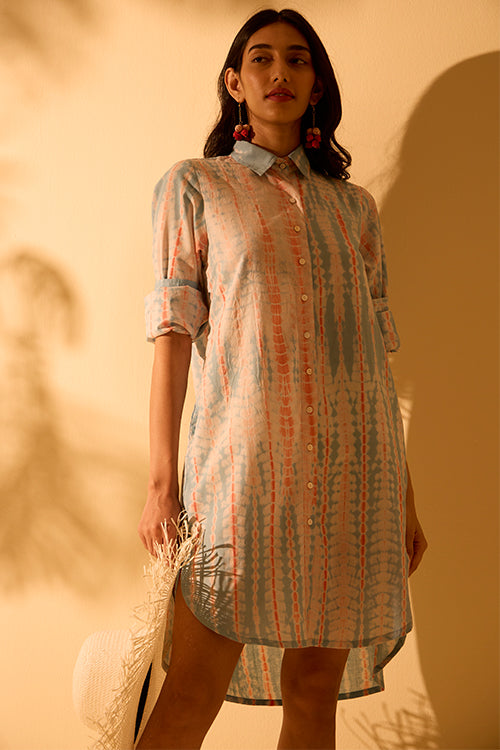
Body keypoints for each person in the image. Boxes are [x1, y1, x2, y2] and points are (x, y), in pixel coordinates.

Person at [137, 8, 427, 750]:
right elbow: (172, 336)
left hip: (353, 482)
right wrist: (162, 486)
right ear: (235, 83)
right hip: (240, 477)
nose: (280, 73)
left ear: (317, 85)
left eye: (298, 60)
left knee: (313, 690)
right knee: (191, 690)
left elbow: (374, 363)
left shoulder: (354, 209)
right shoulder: (197, 186)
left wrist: (403, 496)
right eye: (261, 59)